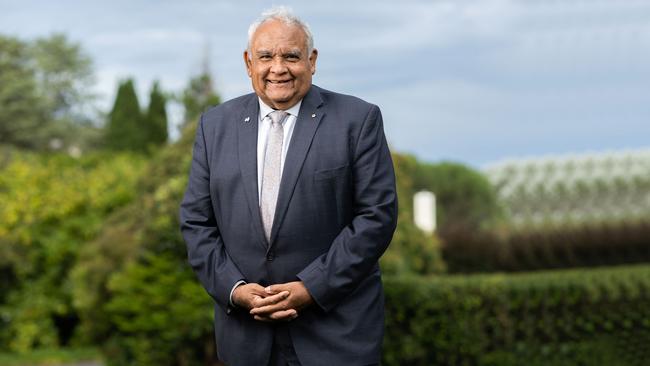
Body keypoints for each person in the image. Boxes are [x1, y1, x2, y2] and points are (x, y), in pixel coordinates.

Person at [180, 6, 397, 366]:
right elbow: (196, 221)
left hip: (335, 336)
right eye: (265, 56)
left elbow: (376, 218)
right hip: (246, 338)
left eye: (291, 56)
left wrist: (311, 287)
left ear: (311, 60)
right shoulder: (214, 126)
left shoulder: (358, 121)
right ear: (249, 63)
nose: (277, 68)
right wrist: (234, 290)